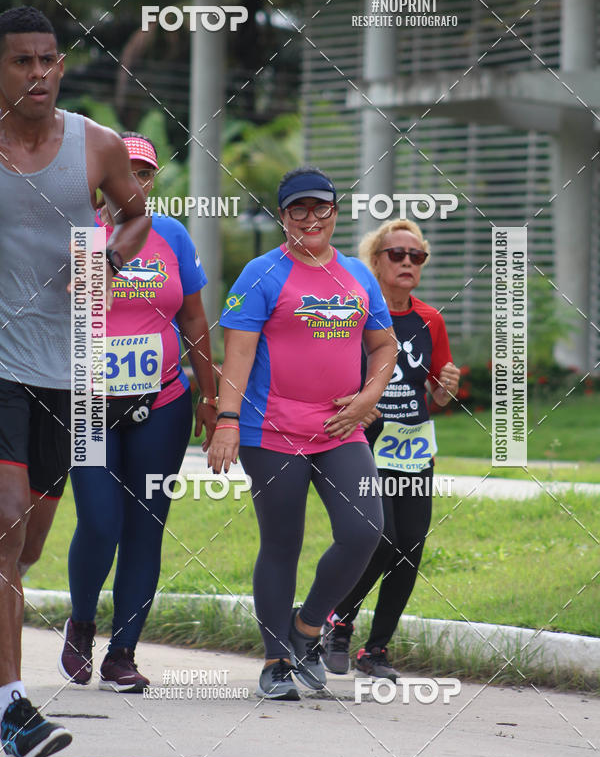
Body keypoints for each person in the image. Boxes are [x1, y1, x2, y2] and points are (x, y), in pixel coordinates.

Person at [0, 6, 150, 757]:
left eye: (48, 60)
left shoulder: (93, 144)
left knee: (26, 548)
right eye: (22, 61)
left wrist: (110, 260)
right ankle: (12, 711)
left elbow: (136, 214)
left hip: (69, 374)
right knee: (5, 519)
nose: (38, 74)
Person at [208, 166, 397, 700]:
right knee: (282, 543)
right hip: (271, 431)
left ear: (335, 212)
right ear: (282, 216)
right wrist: (226, 420)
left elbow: (384, 347)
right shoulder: (261, 274)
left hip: (341, 429)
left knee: (365, 531)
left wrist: (368, 398)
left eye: (321, 208)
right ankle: (275, 660)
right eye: (298, 209)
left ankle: (307, 629)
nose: (310, 219)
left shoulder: (359, 275)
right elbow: (237, 358)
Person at [59, 132, 217, 692]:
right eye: (124, 173)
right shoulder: (76, 233)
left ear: (151, 182)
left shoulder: (172, 234)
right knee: (101, 522)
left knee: (146, 529)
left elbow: (195, 321)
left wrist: (210, 396)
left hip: (164, 405)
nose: (134, 184)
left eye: (145, 174)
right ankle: (81, 625)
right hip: (88, 407)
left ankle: (122, 653)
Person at [321, 219, 460, 680]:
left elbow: (436, 392)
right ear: (376, 261)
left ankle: (374, 651)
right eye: (397, 255)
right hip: (368, 445)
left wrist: (445, 389)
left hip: (415, 447)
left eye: (416, 256)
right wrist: (357, 405)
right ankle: (336, 622)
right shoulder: (358, 313)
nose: (407, 263)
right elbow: (337, 375)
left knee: (410, 547)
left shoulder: (429, 320)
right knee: (382, 539)